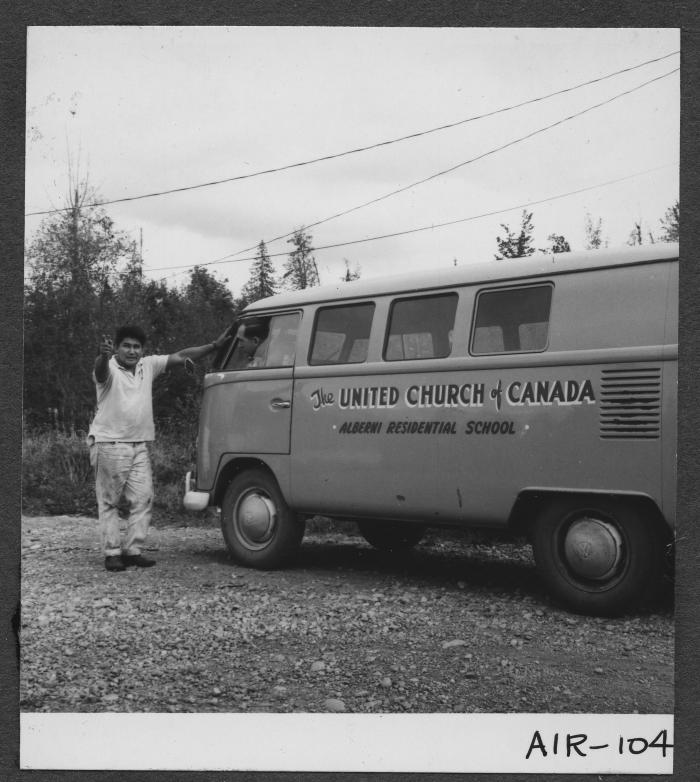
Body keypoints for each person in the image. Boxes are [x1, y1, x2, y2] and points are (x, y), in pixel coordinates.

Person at [88, 324, 231, 572]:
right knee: (109, 501)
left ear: (142, 350)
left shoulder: (148, 365)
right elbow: (100, 373)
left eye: (136, 347)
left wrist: (215, 346)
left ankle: (132, 551)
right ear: (117, 348)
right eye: (126, 346)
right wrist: (101, 355)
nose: (132, 351)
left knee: (143, 498)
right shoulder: (108, 366)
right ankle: (112, 553)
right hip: (110, 443)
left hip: (140, 444)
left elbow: (181, 356)